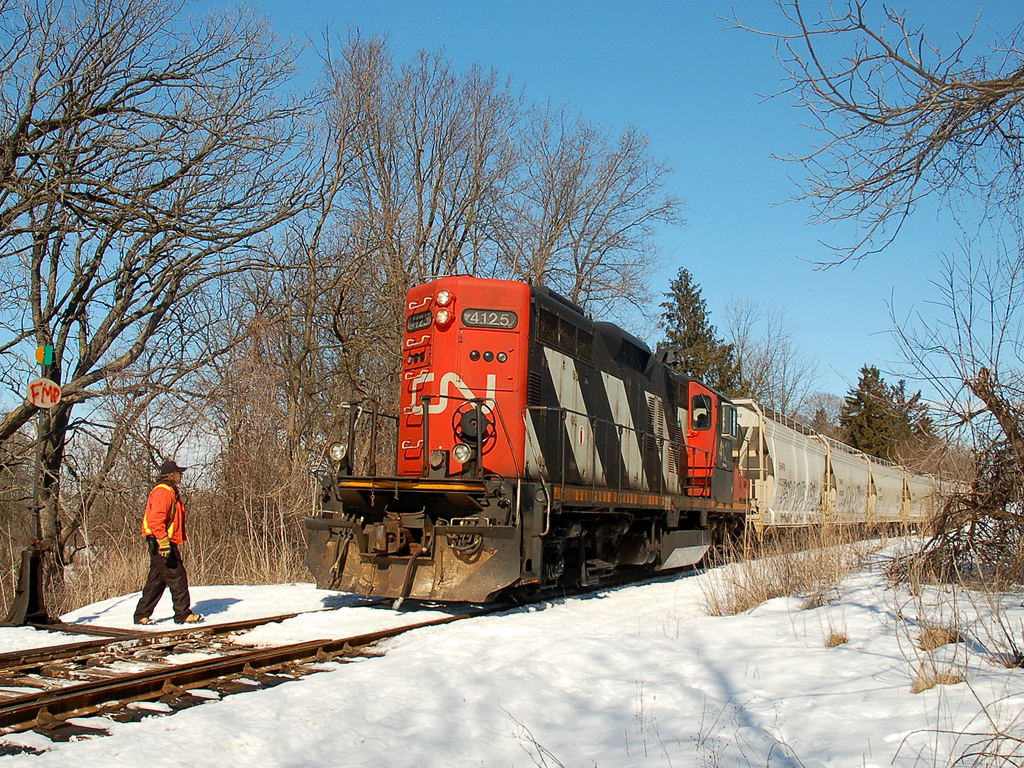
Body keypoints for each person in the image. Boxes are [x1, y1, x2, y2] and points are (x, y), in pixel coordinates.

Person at [133, 459, 204, 625]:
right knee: (177, 576)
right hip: (161, 543)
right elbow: (156, 519)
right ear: (170, 475)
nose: (181, 475)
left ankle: (141, 615)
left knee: (157, 580)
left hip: (160, 542)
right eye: (179, 473)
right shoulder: (163, 492)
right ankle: (182, 614)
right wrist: (164, 542)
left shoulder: (168, 490)